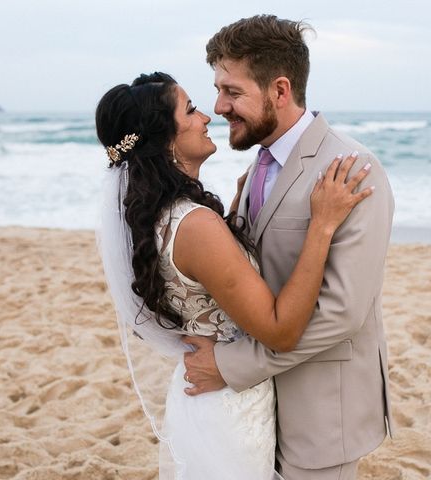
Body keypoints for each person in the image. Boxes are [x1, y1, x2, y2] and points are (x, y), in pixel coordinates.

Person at [95, 72, 373, 479]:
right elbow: (279, 331)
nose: (206, 116)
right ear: (165, 136)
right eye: (189, 110)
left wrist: (238, 214)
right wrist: (322, 226)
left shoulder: (154, 217)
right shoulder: (196, 226)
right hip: (229, 407)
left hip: (205, 398)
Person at [182, 15, 395, 480]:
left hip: (320, 413)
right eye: (217, 90)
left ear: (280, 90)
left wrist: (231, 366)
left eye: (232, 92)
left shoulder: (353, 170)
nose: (219, 107)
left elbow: (342, 312)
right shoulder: (257, 163)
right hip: (256, 411)